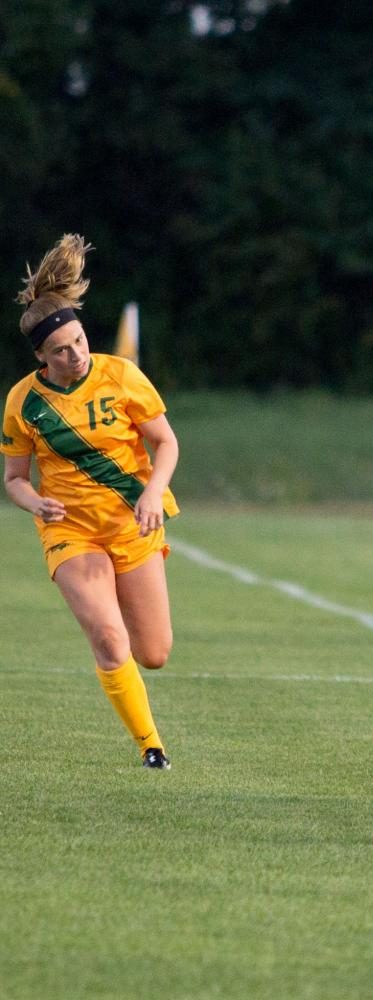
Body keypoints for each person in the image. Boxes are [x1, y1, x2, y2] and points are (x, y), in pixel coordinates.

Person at [2, 234, 180, 769]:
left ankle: (119, 633)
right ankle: (152, 747)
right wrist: (35, 503)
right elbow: (14, 478)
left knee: (154, 654)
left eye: (79, 341)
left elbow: (167, 443)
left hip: (131, 523)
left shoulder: (121, 375)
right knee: (107, 635)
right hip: (71, 532)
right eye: (60, 349)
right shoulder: (23, 403)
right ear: (40, 356)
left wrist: (152, 492)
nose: (75, 354)